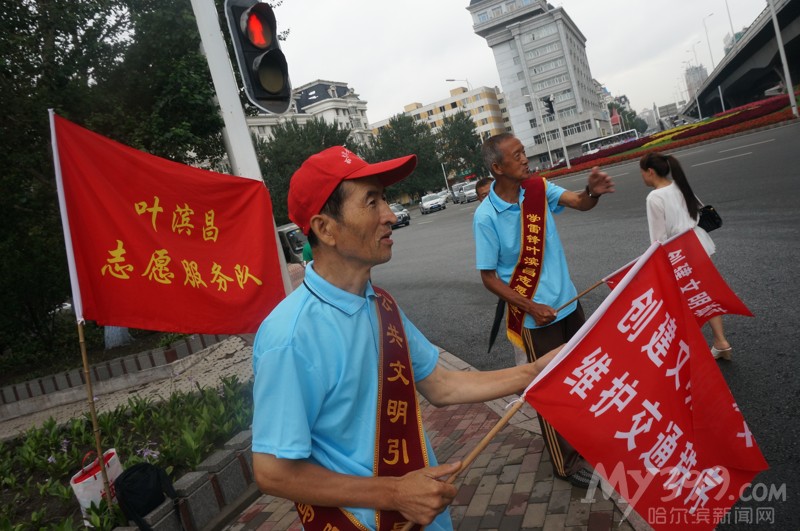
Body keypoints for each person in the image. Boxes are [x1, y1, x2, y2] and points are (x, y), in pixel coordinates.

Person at [251, 146, 559, 531]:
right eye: (372, 202)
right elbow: (272, 472)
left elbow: (441, 383)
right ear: (325, 228)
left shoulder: (380, 303)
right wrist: (394, 494)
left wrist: (534, 371)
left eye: (385, 199)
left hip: (424, 516)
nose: (391, 216)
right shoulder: (290, 337)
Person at [473, 133, 614, 488]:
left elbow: (580, 202)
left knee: (584, 377)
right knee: (551, 391)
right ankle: (564, 463)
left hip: (569, 303)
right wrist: (529, 305)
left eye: (523, 151)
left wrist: (593, 191)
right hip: (536, 318)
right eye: (517, 154)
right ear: (497, 167)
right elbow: (489, 277)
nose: (525, 158)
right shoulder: (485, 216)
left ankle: (590, 441)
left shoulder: (537, 190)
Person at [639, 151, 731, 360]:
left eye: (642, 173)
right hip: (698, 243)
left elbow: (658, 238)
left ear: (650, 172)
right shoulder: (679, 185)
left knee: (682, 302)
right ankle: (721, 341)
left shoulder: (654, 197)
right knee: (703, 293)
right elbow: (698, 209)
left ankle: (691, 352)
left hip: (678, 252)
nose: (642, 177)